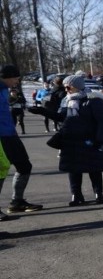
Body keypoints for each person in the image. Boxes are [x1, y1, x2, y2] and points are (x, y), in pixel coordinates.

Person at [30, 74, 103, 205]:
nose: (66, 90)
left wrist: (99, 140)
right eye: (65, 87)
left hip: (89, 138)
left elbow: (101, 122)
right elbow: (61, 117)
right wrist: (42, 111)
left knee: (94, 168)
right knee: (73, 169)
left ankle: (98, 193)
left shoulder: (93, 100)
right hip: (70, 139)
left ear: (77, 87)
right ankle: (76, 195)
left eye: (68, 87)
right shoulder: (66, 101)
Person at [0, 65, 42, 213]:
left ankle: (17, 202)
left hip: (10, 134)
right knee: (0, 170)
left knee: (24, 167)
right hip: (1, 136)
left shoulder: (5, 90)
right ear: (7, 77)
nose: (17, 81)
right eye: (16, 78)